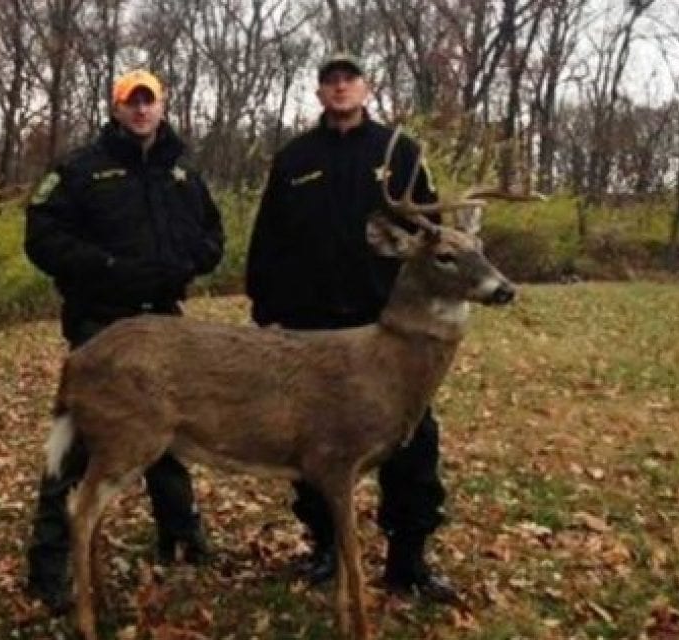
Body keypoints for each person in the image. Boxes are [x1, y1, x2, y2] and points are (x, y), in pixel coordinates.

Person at [245, 53, 458, 603]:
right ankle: (325, 550)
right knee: (314, 444)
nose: (339, 89)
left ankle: (407, 560)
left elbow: (433, 237)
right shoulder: (294, 159)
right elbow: (268, 238)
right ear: (319, 93)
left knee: (410, 439)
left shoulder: (398, 152)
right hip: (309, 330)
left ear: (366, 88)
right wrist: (265, 308)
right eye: (330, 82)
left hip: (384, 325)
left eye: (349, 80)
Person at [23, 69, 225, 613]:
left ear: (161, 107)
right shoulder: (80, 170)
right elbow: (41, 238)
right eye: (130, 102)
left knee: (170, 432)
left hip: (164, 323)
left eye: (148, 102)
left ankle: (181, 538)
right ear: (115, 109)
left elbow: (214, 235)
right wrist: (105, 267)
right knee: (78, 445)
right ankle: (49, 567)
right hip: (102, 326)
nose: (140, 111)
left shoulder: (182, 171)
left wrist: (191, 260)